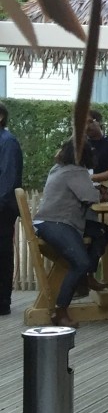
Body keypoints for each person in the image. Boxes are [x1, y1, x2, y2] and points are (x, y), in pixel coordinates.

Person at [32, 139, 108, 327]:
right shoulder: (77, 171)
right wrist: (100, 191)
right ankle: (60, 311)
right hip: (56, 223)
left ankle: (89, 277)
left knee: (103, 231)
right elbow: (90, 197)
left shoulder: (58, 168)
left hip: (52, 221)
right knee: (80, 262)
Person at [0, 102, 22, 316]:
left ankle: (2, 303)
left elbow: (8, 181)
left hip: (2, 210)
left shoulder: (8, 142)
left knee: (2, 255)